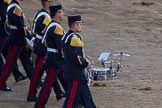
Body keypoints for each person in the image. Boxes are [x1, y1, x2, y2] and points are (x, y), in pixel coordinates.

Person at [27, 0, 65, 102]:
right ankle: (31, 94)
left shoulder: (40, 13)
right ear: (47, 2)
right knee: (39, 72)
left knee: (52, 72)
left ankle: (59, 92)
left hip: (41, 45)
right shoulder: (46, 17)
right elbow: (45, 31)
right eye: (51, 2)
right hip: (43, 47)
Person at [62, 14, 96, 108]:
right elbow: (76, 57)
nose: (81, 26)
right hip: (76, 74)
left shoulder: (66, 35)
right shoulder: (74, 38)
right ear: (75, 25)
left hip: (75, 74)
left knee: (87, 99)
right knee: (71, 101)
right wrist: (86, 64)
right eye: (80, 24)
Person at [0, 0, 34, 91]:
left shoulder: (13, 6)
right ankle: (1, 82)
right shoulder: (16, 8)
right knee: (10, 63)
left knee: (15, 61)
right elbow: (21, 27)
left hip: (16, 38)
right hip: (17, 39)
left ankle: (34, 81)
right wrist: (31, 37)